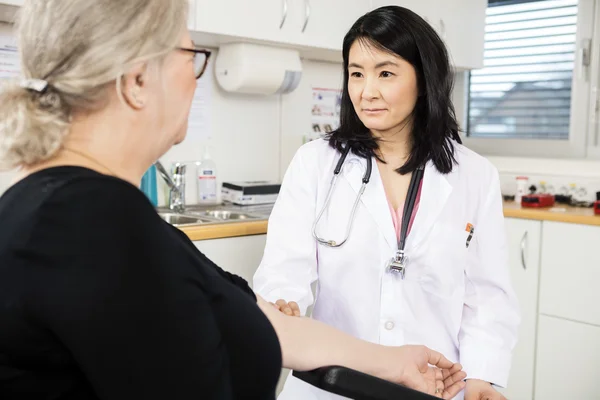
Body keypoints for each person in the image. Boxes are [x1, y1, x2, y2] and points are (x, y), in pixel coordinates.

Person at [0, 1, 467, 399]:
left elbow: (263, 321)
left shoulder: (72, 209)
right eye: (190, 55)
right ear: (137, 80)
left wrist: (393, 362)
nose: (195, 76)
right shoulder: (94, 227)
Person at [253, 6, 520, 400]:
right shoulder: (316, 163)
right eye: (356, 73)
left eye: (386, 73)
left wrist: (482, 376)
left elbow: (487, 296)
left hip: (434, 385)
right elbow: (283, 268)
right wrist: (284, 302)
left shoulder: (474, 176)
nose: (366, 91)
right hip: (332, 381)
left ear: (424, 79)